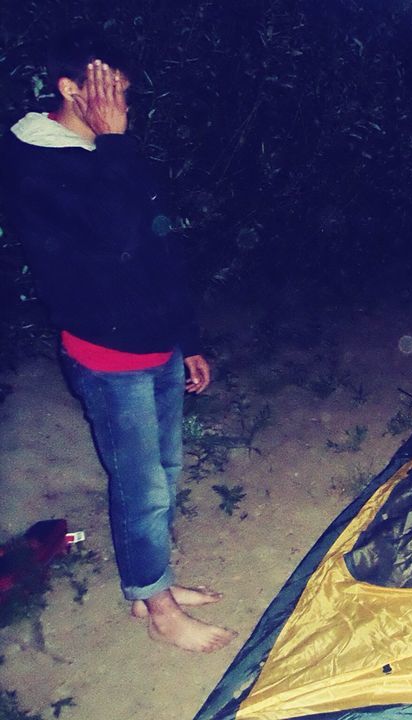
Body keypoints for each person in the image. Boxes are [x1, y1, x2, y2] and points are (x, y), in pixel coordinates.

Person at [0, 33, 235, 652]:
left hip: (155, 344)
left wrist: (188, 338)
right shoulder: (35, 161)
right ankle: (157, 610)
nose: (121, 102)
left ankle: (146, 583)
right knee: (142, 487)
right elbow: (119, 235)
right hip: (107, 355)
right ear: (71, 88)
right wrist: (116, 142)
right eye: (108, 89)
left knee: (163, 473)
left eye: (124, 91)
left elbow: (159, 244)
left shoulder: (103, 149)